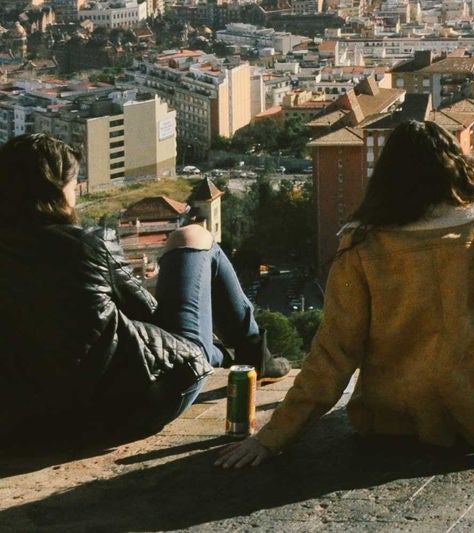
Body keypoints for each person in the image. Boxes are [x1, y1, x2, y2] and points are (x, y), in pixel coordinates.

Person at [216, 119, 474, 468]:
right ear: (457, 167)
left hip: (390, 417)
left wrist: (272, 437)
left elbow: (334, 354)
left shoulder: (361, 241)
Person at [0, 133, 273, 446]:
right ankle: (252, 350)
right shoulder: (85, 245)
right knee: (191, 238)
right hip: (128, 412)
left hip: (26, 429)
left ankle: (227, 353)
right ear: (56, 190)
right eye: (73, 185)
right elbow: (155, 315)